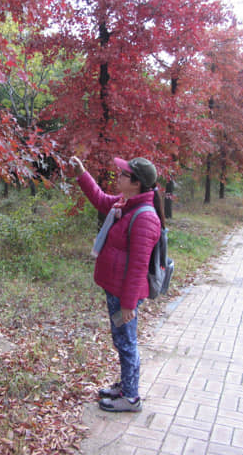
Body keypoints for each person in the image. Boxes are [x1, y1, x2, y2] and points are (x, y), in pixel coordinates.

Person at [70, 155, 163, 412]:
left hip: (124, 294)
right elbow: (100, 200)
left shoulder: (145, 217)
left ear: (136, 183)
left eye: (124, 174)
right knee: (121, 340)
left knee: (126, 342)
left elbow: (137, 268)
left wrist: (128, 305)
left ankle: (131, 397)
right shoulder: (126, 203)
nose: (118, 176)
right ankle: (125, 386)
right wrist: (82, 173)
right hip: (115, 289)